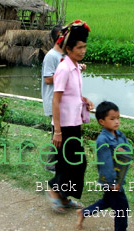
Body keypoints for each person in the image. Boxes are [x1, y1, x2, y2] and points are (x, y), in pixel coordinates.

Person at [46, 20, 94, 213]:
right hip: (64, 126)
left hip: (74, 123)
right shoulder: (64, 69)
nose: (83, 51)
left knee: (72, 163)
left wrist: (84, 100)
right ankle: (55, 191)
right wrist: (57, 131)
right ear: (69, 48)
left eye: (84, 47)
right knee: (74, 163)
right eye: (79, 47)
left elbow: (71, 94)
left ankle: (63, 197)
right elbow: (56, 100)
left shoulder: (75, 67)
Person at [77, 101, 131, 231]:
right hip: (111, 180)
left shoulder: (119, 134)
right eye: (112, 119)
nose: (116, 122)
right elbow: (105, 163)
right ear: (102, 121)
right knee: (122, 208)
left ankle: (84, 212)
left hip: (118, 177)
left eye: (118, 118)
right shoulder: (102, 140)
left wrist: (123, 150)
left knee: (107, 201)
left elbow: (127, 149)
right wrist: (112, 183)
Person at [41, 25, 64, 173]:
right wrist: (66, 74)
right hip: (53, 100)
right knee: (56, 133)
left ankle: (58, 163)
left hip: (63, 101)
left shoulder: (64, 55)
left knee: (60, 132)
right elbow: (48, 79)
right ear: (60, 38)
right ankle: (50, 164)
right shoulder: (51, 56)